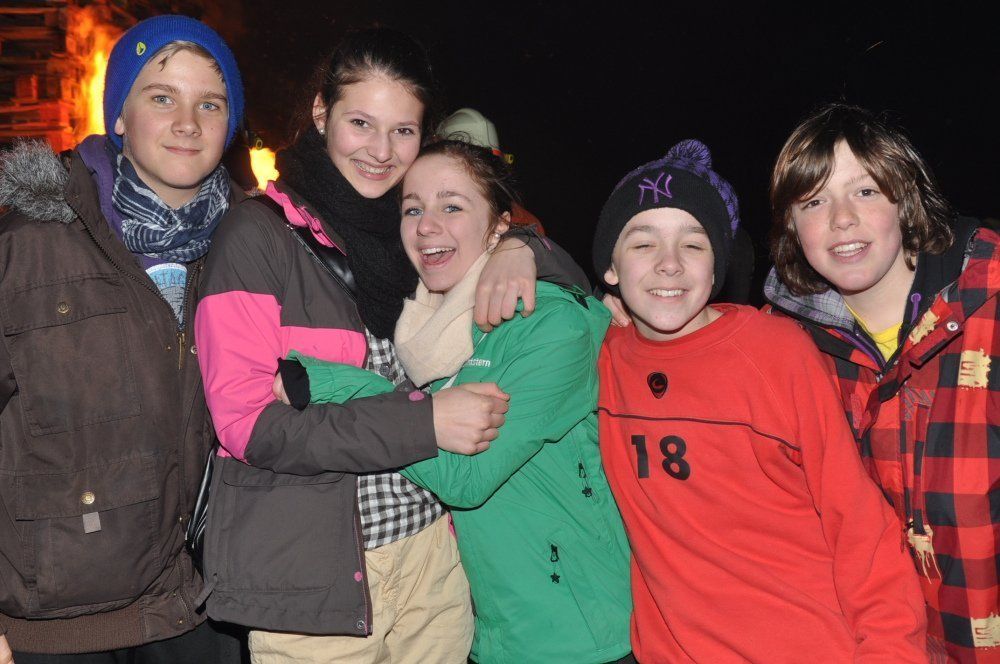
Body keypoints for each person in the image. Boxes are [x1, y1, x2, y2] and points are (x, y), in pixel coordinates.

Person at [194, 29, 582, 664]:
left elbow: (568, 283)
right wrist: (420, 424)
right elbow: (248, 428)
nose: (380, 151)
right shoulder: (256, 236)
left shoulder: (413, 232)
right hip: (314, 579)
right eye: (361, 123)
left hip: (435, 565)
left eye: (403, 130)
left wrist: (526, 246)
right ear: (321, 112)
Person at [276, 140, 633, 664]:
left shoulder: (551, 323)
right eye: (412, 209)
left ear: (498, 227)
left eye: (452, 206)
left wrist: (341, 383)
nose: (426, 225)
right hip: (495, 633)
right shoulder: (423, 332)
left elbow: (467, 478)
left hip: (578, 631)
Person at [592, 139, 928, 662]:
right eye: (642, 245)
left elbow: (856, 520)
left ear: (718, 266)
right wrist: (527, 249)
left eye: (693, 245)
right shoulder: (598, 354)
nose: (669, 264)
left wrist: (890, 651)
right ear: (610, 267)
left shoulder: (775, 352)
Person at [0, 15, 245, 663]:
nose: (187, 122)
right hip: (54, 631)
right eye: (162, 97)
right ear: (118, 115)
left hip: (199, 614)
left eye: (210, 103)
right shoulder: (30, 245)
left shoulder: (251, 252)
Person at [764, 103, 1000, 663]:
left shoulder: (988, 306)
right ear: (792, 227)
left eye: (865, 191)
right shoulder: (779, 351)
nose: (841, 219)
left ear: (906, 200)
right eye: (814, 202)